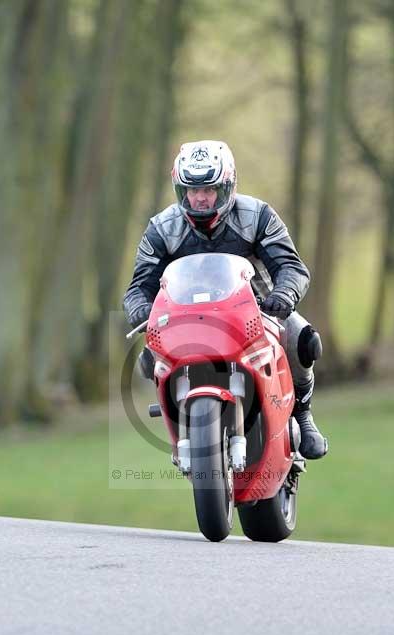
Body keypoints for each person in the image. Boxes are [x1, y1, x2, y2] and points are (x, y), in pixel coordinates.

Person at [122, 140, 328, 459]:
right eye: (192, 190)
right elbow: (138, 287)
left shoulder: (258, 215)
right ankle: (178, 423)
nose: (200, 198)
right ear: (180, 190)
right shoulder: (161, 228)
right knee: (147, 361)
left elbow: (291, 266)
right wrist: (141, 310)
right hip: (184, 321)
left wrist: (283, 294)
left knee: (303, 339)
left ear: (227, 186)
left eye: (209, 190)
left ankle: (303, 414)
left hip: (256, 312)